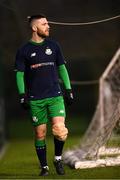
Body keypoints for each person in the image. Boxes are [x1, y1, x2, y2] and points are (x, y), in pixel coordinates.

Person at [15, 14, 73, 176]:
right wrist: (22, 94)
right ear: (34, 28)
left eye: (48, 23)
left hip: (55, 96)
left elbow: (62, 68)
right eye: (44, 24)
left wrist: (68, 90)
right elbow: (19, 74)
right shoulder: (24, 50)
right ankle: (44, 167)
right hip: (36, 99)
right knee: (40, 133)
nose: (48, 26)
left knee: (60, 130)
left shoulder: (54, 45)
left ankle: (58, 159)